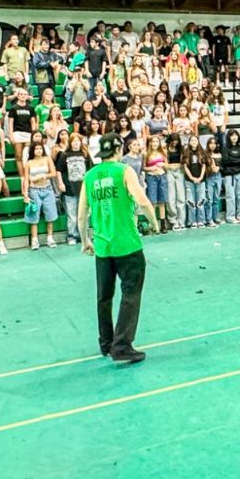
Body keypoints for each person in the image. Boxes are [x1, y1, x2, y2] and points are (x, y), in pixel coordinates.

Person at [78, 132, 158, 365]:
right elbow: (142, 200)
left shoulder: (90, 176)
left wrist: (85, 241)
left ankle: (106, 342)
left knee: (104, 297)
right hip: (127, 244)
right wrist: (154, 223)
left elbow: (82, 214)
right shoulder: (124, 171)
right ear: (118, 149)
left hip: (103, 247)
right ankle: (122, 346)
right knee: (130, 294)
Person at [22, 139, 59, 250]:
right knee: (34, 214)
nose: (38, 150)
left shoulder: (47, 159)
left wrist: (43, 176)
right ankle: (34, 239)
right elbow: (26, 179)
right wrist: (25, 194)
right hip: (34, 190)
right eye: (36, 148)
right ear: (32, 150)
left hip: (47, 189)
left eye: (40, 148)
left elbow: (53, 173)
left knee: (50, 213)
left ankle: (50, 237)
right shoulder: (29, 163)